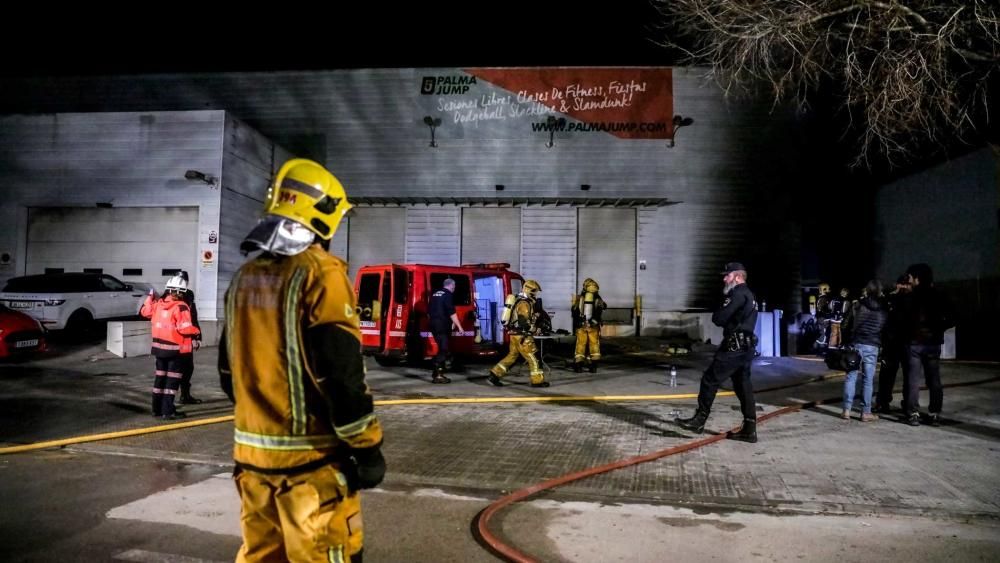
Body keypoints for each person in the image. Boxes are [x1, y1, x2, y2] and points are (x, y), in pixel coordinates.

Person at [218, 158, 384, 563]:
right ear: (322, 215)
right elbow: (340, 376)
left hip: (252, 468)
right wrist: (367, 448)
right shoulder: (321, 275)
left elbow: (228, 374)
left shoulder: (244, 278)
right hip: (310, 472)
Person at [677, 262, 759, 443]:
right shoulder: (751, 295)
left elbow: (719, 318)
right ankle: (749, 428)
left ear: (737, 277)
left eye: (727, 275)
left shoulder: (736, 294)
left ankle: (699, 420)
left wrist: (721, 308)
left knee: (709, 380)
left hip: (733, 347)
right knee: (743, 386)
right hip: (746, 348)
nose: (724, 279)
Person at [900, 263, 954, 427]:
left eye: (910, 277)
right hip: (933, 343)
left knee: (913, 379)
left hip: (915, 343)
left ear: (917, 278)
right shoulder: (939, 295)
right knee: (934, 379)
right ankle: (935, 413)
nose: (908, 280)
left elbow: (903, 320)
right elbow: (953, 317)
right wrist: (939, 328)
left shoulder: (911, 297)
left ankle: (913, 413)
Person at [140, 275, 201, 420]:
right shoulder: (181, 306)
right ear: (181, 292)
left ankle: (157, 409)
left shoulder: (158, 304)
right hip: (175, 352)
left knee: (159, 380)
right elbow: (184, 328)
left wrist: (149, 298)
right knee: (171, 382)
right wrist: (196, 332)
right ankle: (168, 411)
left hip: (159, 350)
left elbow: (145, 312)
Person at [840, 280, 888, 422]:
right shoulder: (883, 309)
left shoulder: (856, 305)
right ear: (879, 292)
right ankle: (865, 412)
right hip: (873, 346)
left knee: (851, 377)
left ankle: (846, 410)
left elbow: (844, 325)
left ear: (866, 290)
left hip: (855, 345)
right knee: (868, 380)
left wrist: (846, 341)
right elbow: (886, 329)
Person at [488, 279, 549, 388]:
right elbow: (523, 322)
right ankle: (537, 381)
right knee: (534, 358)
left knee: (512, 356)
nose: (535, 294)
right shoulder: (524, 303)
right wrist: (535, 329)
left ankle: (495, 374)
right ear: (528, 290)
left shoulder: (518, 300)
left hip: (514, 335)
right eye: (534, 291)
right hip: (523, 336)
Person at [874, 274, 912, 414]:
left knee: (894, 375)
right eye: (902, 284)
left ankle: (889, 403)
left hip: (901, 343)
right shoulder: (891, 299)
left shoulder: (896, 299)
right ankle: (890, 403)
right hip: (896, 343)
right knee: (891, 375)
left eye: (905, 284)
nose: (903, 287)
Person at [428, 278, 464, 384]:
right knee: (443, 349)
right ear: (452, 286)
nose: (454, 288)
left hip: (433, 325)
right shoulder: (448, 295)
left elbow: (429, 311)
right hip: (442, 326)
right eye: (454, 286)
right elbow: (452, 313)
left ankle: (437, 371)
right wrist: (460, 327)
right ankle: (438, 375)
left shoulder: (435, 294)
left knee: (441, 347)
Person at [176, 270, 203, 404]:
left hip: (187, 339)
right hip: (174, 339)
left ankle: (185, 395)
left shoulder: (189, 295)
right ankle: (167, 402)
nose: (183, 284)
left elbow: (193, 317)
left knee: (188, 368)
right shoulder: (170, 295)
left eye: (185, 281)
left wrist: (197, 337)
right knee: (174, 370)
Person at [571, 278, 606, 373]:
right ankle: (592, 365)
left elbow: (574, 311)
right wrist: (586, 321)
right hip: (588, 326)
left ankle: (580, 365)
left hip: (587, 325)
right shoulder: (597, 298)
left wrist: (584, 322)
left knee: (581, 345)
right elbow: (601, 309)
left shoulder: (580, 298)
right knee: (593, 345)